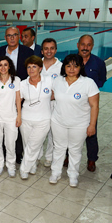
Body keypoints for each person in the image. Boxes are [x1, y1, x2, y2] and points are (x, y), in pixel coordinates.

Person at [50, 54, 99, 187]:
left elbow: (94, 106)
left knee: (75, 150)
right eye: (68, 65)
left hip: (79, 124)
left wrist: (92, 125)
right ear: (64, 67)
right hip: (58, 121)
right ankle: (55, 172)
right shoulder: (58, 81)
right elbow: (51, 96)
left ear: (80, 67)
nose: (71, 69)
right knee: (58, 148)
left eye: (75, 66)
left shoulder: (88, 83)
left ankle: (73, 174)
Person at [0, 26, 34, 165]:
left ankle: (17, 153)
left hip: (20, 93)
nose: (12, 38)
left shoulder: (28, 52)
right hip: (4, 94)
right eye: (9, 35)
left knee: (16, 123)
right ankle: (3, 152)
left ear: (19, 37)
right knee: (3, 122)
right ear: (5, 38)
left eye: (15, 35)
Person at [18, 56, 53, 179]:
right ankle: (33, 165)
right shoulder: (22, 84)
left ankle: (24, 168)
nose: (31, 69)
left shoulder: (49, 81)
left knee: (33, 144)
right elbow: (17, 102)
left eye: (34, 66)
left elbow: (55, 94)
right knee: (28, 144)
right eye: (29, 67)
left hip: (43, 119)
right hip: (26, 119)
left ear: (40, 68)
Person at [0, 56, 22, 177]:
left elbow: (18, 99)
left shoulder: (16, 80)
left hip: (11, 116)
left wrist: (19, 115)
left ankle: (11, 165)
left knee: (10, 143)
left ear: (10, 66)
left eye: (5, 64)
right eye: (0, 65)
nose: (3, 67)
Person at [77, 34, 107, 172]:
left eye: (88, 45)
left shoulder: (99, 63)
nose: (85, 48)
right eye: (83, 44)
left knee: (91, 132)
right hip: (73, 104)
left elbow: (101, 80)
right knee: (69, 131)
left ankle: (91, 159)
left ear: (92, 46)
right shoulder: (70, 61)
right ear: (78, 45)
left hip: (90, 105)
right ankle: (66, 156)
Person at [40, 38, 62, 167]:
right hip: (39, 105)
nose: (49, 51)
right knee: (39, 132)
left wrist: (55, 94)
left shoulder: (61, 67)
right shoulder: (36, 64)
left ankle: (49, 157)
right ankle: (36, 156)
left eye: (52, 48)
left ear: (56, 50)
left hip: (55, 104)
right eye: (46, 48)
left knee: (53, 133)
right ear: (42, 51)